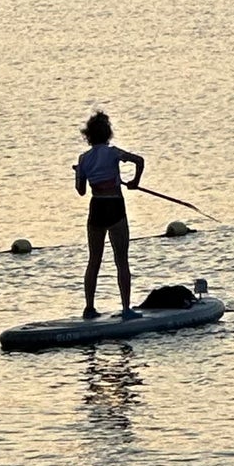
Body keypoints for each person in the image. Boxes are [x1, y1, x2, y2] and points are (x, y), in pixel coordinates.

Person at [74, 111, 144, 318]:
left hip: (96, 207)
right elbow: (139, 160)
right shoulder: (113, 153)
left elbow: (81, 191)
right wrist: (135, 182)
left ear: (88, 136)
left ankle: (89, 308)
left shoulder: (83, 159)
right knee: (121, 260)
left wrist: (79, 172)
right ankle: (126, 309)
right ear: (108, 133)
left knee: (94, 260)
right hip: (114, 206)